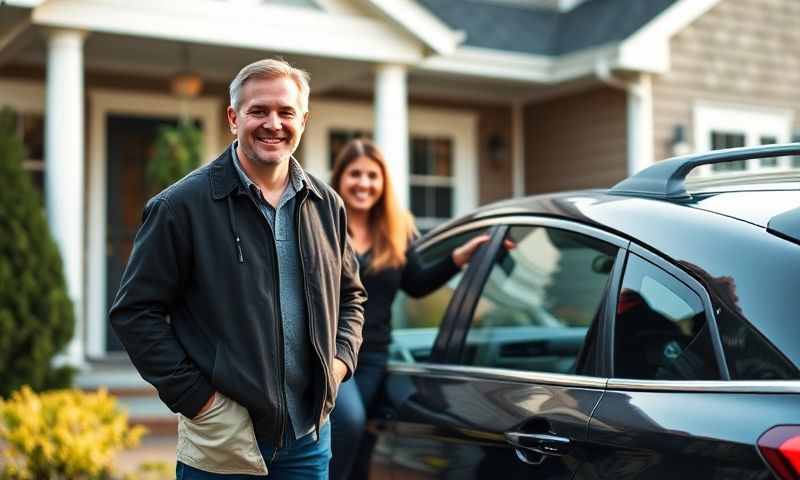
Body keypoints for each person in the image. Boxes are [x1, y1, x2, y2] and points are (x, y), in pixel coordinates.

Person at [109, 58, 366, 480]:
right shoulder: (180, 207)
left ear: (303, 120)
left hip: (309, 439)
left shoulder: (327, 206)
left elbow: (352, 296)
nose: (273, 124)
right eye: (258, 111)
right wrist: (200, 402)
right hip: (222, 442)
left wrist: (337, 365)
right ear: (233, 118)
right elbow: (134, 313)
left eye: (286, 112)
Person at [328, 139, 491, 480]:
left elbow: (416, 284)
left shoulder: (396, 229)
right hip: (330, 351)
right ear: (340, 178)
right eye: (355, 174)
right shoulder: (324, 224)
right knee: (349, 422)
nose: (364, 183)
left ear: (383, 182)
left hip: (372, 355)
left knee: (363, 441)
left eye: (372, 176)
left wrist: (459, 258)